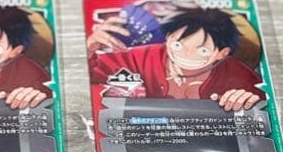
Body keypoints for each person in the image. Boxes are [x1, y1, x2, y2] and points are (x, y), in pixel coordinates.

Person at [87, 7, 264, 111]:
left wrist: (248, 99)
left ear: (222, 53)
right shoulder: (143, 57)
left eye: (202, 50)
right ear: (168, 38)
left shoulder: (237, 74)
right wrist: (89, 49)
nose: (185, 54)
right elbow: (93, 73)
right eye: (178, 45)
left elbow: (264, 100)